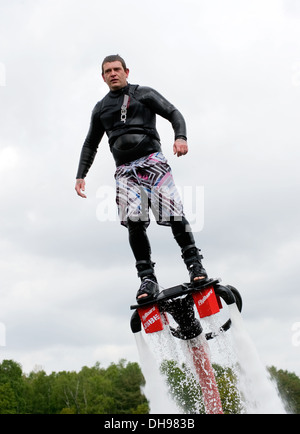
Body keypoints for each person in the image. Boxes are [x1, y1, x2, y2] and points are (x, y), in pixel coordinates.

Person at [75, 54, 208, 304]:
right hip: (125, 170)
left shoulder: (143, 93)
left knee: (173, 212)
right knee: (134, 222)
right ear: (102, 77)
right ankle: (147, 278)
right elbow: (90, 143)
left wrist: (181, 137)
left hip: (152, 161)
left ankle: (195, 265)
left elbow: (173, 112)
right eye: (107, 71)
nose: (113, 73)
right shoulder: (101, 108)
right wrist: (81, 175)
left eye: (117, 69)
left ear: (126, 71)